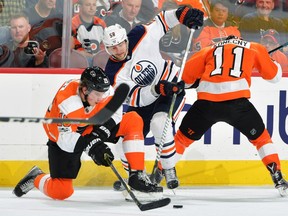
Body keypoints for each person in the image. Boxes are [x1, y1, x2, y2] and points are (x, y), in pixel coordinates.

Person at [13, 66, 163, 201]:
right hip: (62, 135)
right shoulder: (68, 103)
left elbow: (115, 115)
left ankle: (137, 177)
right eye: (97, 95)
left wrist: (99, 135)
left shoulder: (104, 90)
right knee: (61, 191)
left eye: (103, 93)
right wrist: (92, 147)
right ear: (85, 90)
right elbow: (66, 141)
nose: (101, 98)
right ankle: (36, 178)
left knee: (133, 119)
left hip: (91, 123)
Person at [103, 5, 204, 189]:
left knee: (159, 123)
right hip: (145, 99)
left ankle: (168, 168)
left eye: (120, 44)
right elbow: (133, 98)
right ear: (107, 49)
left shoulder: (140, 34)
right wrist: (156, 89)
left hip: (170, 85)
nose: (118, 50)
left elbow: (163, 19)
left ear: (126, 39)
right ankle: (135, 177)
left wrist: (183, 14)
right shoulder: (112, 73)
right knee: (123, 143)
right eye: (112, 48)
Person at [173, 35, 288, 197]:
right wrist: (270, 60)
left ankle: (160, 173)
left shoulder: (209, 49)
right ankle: (278, 178)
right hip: (237, 104)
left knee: (181, 140)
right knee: (261, 139)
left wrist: (200, 80)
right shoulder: (253, 47)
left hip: (207, 103)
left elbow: (184, 79)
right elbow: (275, 77)